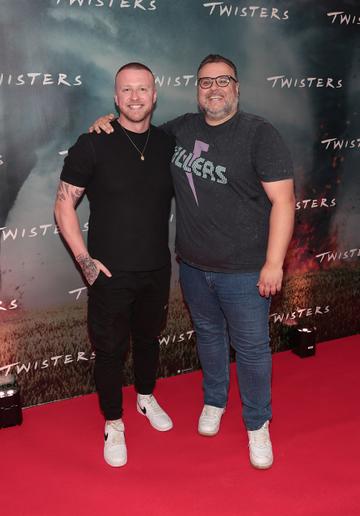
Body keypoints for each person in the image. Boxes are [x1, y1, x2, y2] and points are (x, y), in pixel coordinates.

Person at [90, 54, 295, 469]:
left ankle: (258, 425)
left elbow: (284, 201)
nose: (214, 89)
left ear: (237, 87)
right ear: (196, 90)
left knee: (253, 350)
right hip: (194, 268)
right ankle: (215, 402)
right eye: (205, 82)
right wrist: (104, 123)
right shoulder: (179, 130)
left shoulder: (259, 134)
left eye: (223, 81)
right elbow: (135, 132)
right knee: (209, 337)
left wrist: (274, 263)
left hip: (245, 271)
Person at [54, 62, 175, 468]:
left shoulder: (169, 142)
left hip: (157, 269)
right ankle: (114, 422)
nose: (135, 97)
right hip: (109, 274)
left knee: (147, 341)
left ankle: (144, 398)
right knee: (108, 352)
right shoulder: (92, 143)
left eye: (143, 89)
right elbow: (63, 205)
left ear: (155, 95)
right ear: (115, 97)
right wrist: (85, 262)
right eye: (127, 90)